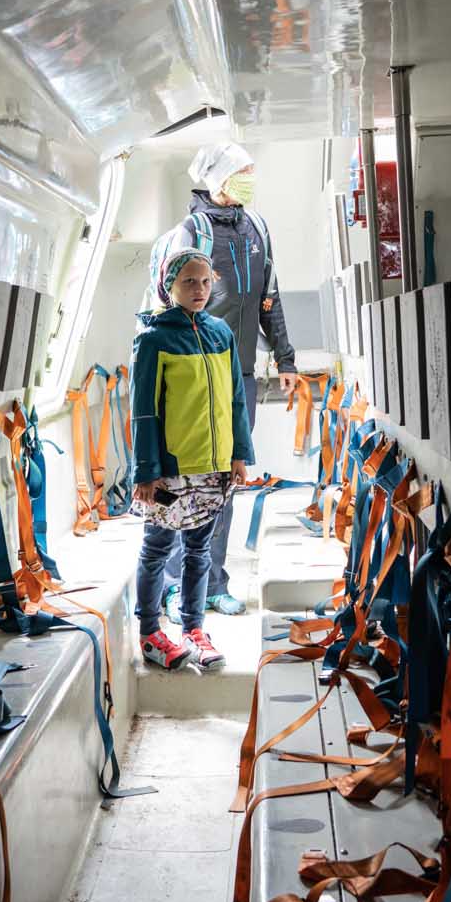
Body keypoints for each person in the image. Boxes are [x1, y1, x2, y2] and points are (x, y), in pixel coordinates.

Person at [144, 142, 297, 615]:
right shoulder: (189, 233)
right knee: (182, 482)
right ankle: (172, 586)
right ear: (217, 178)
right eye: (242, 170)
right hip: (189, 377)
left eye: (253, 168)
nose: (250, 176)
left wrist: (286, 360)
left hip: (239, 375)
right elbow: (162, 305)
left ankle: (213, 582)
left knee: (225, 480)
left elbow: (268, 299)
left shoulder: (258, 230)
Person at [129, 247, 251, 671]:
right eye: (188, 282)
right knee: (157, 549)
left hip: (213, 468)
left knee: (200, 550)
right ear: (169, 287)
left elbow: (236, 399)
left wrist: (239, 454)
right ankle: (149, 632)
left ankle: (194, 629)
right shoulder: (154, 338)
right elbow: (143, 411)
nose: (199, 289)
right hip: (169, 470)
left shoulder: (221, 333)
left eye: (204, 281)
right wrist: (145, 471)